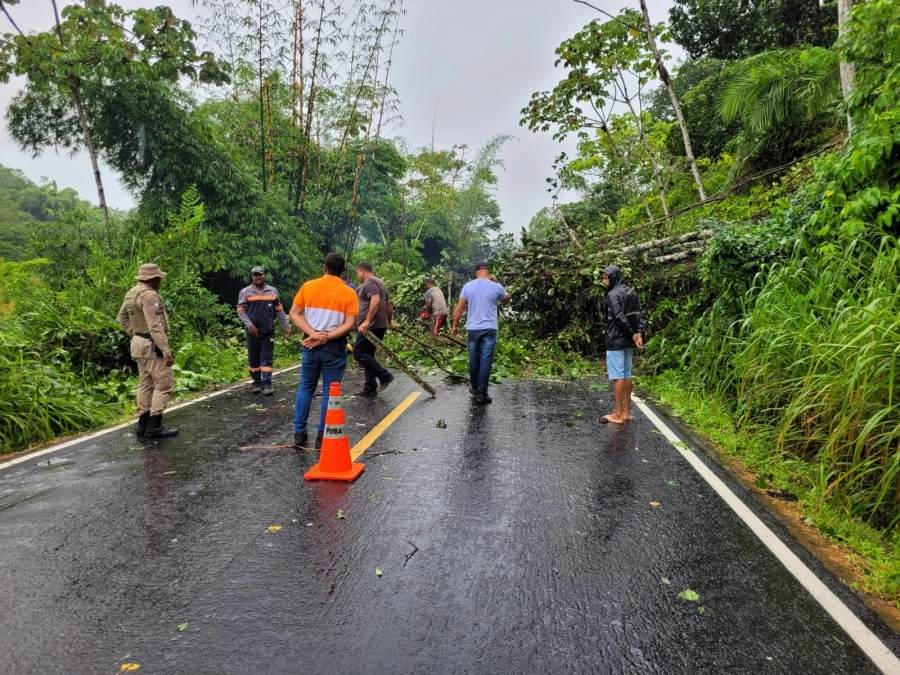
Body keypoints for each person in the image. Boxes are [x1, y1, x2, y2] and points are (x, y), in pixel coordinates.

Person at [290, 253, 359, 449]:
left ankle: (299, 434)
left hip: (310, 345)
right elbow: (350, 324)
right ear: (344, 270)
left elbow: (294, 314)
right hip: (335, 348)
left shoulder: (308, 286)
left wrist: (313, 334)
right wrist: (326, 336)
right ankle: (322, 435)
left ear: (324, 267)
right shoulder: (349, 293)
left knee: (306, 388)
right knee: (330, 391)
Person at [116, 262, 178, 438]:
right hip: (152, 344)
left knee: (145, 383)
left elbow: (122, 317)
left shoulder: (131, 293)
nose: (160, 281)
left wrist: (134, 334)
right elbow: (155, 326)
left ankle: (142, 424)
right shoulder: (149, 296)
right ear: (153, 279)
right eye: (158, 278)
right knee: (164, 384)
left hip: (138, 343)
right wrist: (166, 351)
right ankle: (154, 425)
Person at [451, 260, 511, 405]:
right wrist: (498, 285)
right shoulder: (495, 286)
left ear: (476, 272)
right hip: (489, 329)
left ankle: (475, 388)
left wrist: (454, 325)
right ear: (488, 271)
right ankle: (482, 393)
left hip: (472, 329)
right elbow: (507, 300)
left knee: (474, 359)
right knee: (486, 361)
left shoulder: (468, 286)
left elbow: (459, 307)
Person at [599, 265, 647, 424]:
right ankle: (626, 412)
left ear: (613, 278)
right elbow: (641, 314)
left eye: (606, 278)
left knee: (617, 375)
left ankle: (618, 414)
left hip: (617, 339)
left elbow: (619, 318)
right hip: (629, 340)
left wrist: (633, 334)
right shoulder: (632, 292)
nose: (603, 281)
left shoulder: (613, 295)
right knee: (626, 374)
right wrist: (638, 333)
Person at [236, 265, 292, 395]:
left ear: (264, 275)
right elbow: (241, 311)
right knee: (254, 358)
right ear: (252, 277)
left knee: (267, 357)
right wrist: (250, 326)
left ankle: (267, 384)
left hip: (268, 331)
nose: (258, 277)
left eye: (260, 274)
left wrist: (286, 326)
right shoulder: (245, 292)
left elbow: (279, 310)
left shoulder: (272, 291)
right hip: (252, 332)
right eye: (255, 275)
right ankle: (256, 382)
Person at [353, 261, 394, 397]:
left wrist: (366, 321)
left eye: (357, 273)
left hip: (370, 326)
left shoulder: (369, 282)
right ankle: (370, 387)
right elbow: (388, 305)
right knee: (368, 355)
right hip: (379, 325)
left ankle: (384, 375)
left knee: (358, 353)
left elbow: (375, 300)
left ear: (363, 271)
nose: (358, 276)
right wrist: (389, 322)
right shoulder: (380, 282)